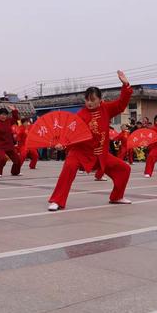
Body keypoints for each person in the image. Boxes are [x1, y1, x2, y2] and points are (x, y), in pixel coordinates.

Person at [48, 71, 133, 211]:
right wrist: (61, 144)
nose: (90, 103)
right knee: (68, 168)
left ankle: (117, 197)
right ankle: (57, 200)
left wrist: (126, 85)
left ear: (100, 100)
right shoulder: (81, 115)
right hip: (80, 153)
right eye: (87, 100)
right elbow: (70, 133)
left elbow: (121, 104)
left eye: (93, 100)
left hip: (101, 154)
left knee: (124, 169)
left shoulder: (106, 108)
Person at [0, 106, 21, 177]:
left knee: (17, 160)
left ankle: (15, 172)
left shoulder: (9, 121)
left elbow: (16, 118)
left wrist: (14, 110)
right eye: (2, 114)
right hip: (1, 145)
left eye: (5, 115)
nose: (3, 116)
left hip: (9, 145)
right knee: (2, 159)